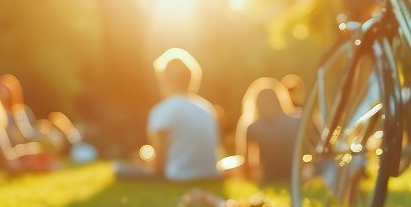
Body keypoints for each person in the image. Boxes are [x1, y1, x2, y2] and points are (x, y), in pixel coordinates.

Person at [115, 48, 220, 181]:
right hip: (210, 175)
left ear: (165, 79)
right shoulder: (207, 109)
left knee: (119, 169)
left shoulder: (163, 110)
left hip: (179, 175)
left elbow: (159, 166)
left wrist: (145, 162)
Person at [239, 80, 301, 185]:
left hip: (268, 178)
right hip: (295, 176)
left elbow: (246, 165)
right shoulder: (297, 121)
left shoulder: (253, 127)